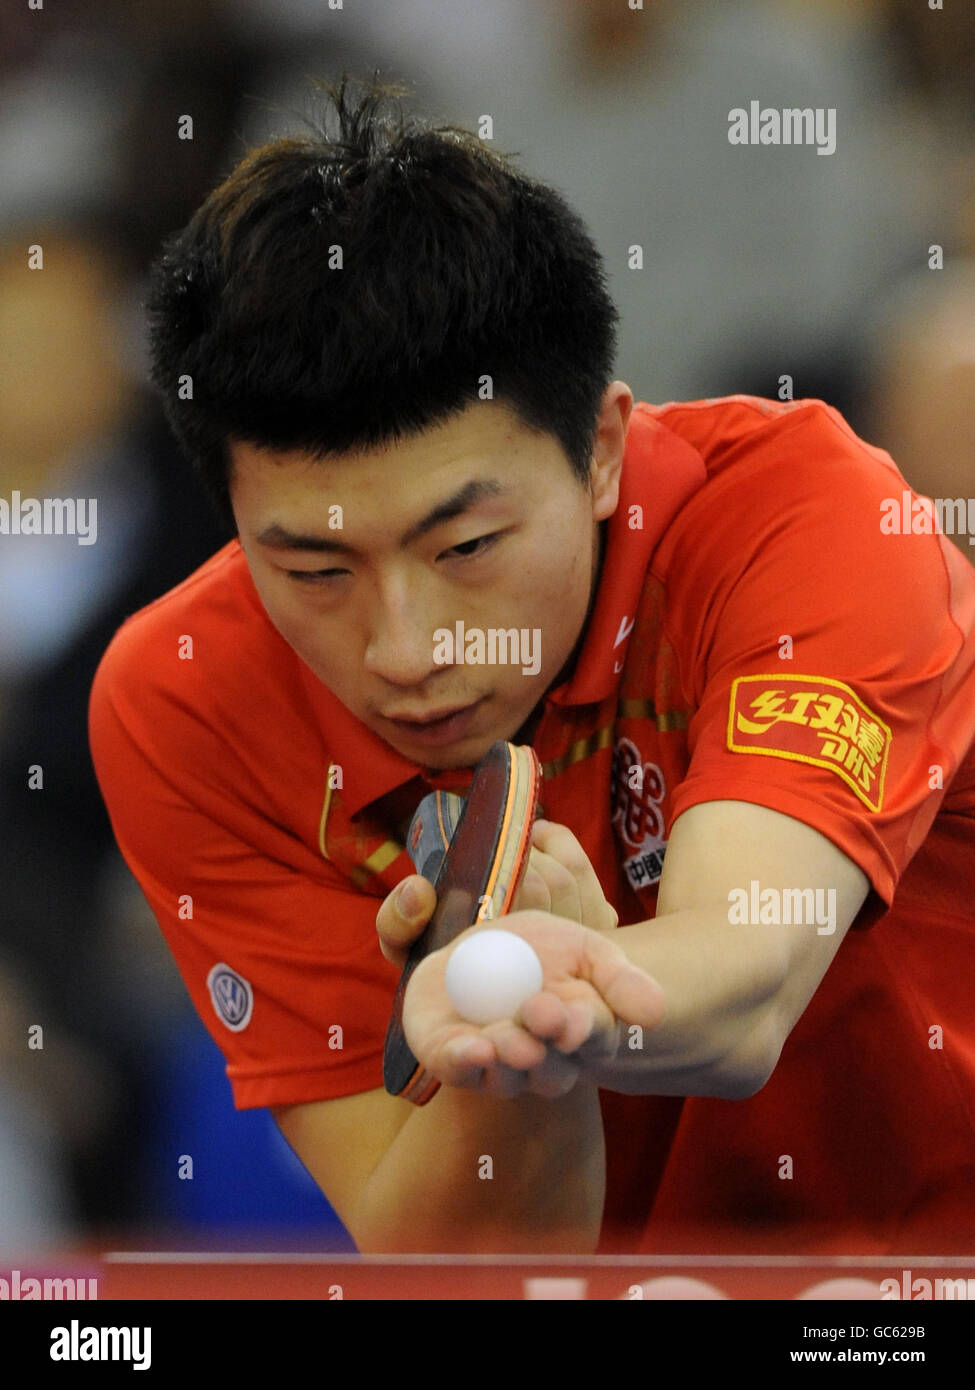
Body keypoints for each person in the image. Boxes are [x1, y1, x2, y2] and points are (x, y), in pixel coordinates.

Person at [89, 78, 975, 1256]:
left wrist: (538, 970)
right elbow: (464, 1269)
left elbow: (746, 982)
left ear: (601, 451)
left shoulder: (809, 520)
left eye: (466, 547)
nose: (407, 651)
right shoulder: (186, 699)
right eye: (314, 570)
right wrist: (518, 1064)